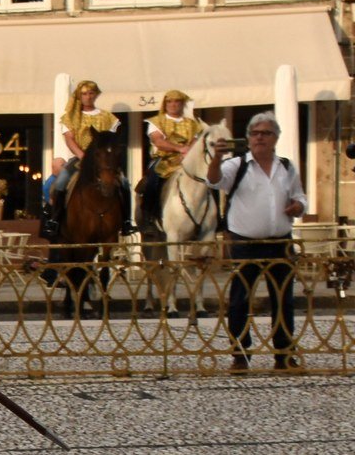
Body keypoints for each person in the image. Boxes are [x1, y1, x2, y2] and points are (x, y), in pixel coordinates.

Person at [211, 113, 307, 371]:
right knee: (240, 299)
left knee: (283, 298)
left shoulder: (286, 167)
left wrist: (298, 206)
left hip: (280, 242)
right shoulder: (237, 165)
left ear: (275, 138)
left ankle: (284, 353)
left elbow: (300, 197)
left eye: (265, 133)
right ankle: (240, 353)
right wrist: (217, 157)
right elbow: (214, 180)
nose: (259, 138)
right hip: (246, 242)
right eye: (254, 133)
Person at [43, 80, 126, 239]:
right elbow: (70, 139)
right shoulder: (71, 117)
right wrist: (84, 156)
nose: (88, 97)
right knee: (61, 182)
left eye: (91, 93)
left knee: (124, 183)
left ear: (95, 95)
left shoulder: (107, 117)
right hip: (80, 157)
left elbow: (111, 140)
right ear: (79, 96)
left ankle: (126, 221)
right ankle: (54, 220)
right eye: (84, 94)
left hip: (104, 160)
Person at [140, 91, 204, 238]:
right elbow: (158, 141)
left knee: (206, 179)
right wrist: (179, 148)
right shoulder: (156, 121)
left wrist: (188, 152)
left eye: (177, 102)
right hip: (164, 159)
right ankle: (148, 218)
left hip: (187, 160)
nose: (173, 105)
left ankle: (215, 218)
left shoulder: (193, 124)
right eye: (170, 102)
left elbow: (195, 141)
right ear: (165, 104)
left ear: (182, 104)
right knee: (152, 180)